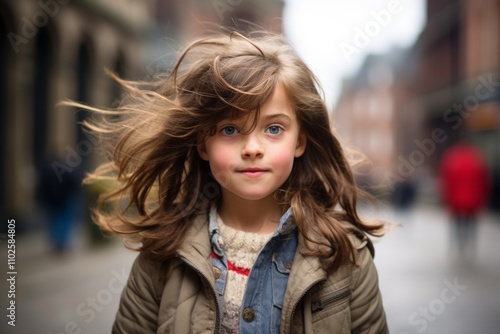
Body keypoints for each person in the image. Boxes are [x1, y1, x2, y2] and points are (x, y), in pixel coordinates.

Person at [77, 31, 388, 333]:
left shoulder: (346, 255)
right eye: (229, 129)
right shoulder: (162, 255)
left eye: (274, 129)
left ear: (299, 142)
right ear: (203, 144)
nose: (252, 148)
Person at [438, 143, 490, 261]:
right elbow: (485, 183)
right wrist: (482, 201)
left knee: (457, 224)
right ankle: (470, 246)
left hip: (456, 202)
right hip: (473, 202)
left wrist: (446, 201)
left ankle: (458, 246)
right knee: (471, 225)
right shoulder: (477, 161)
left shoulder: (452, 161)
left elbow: (445, 183)